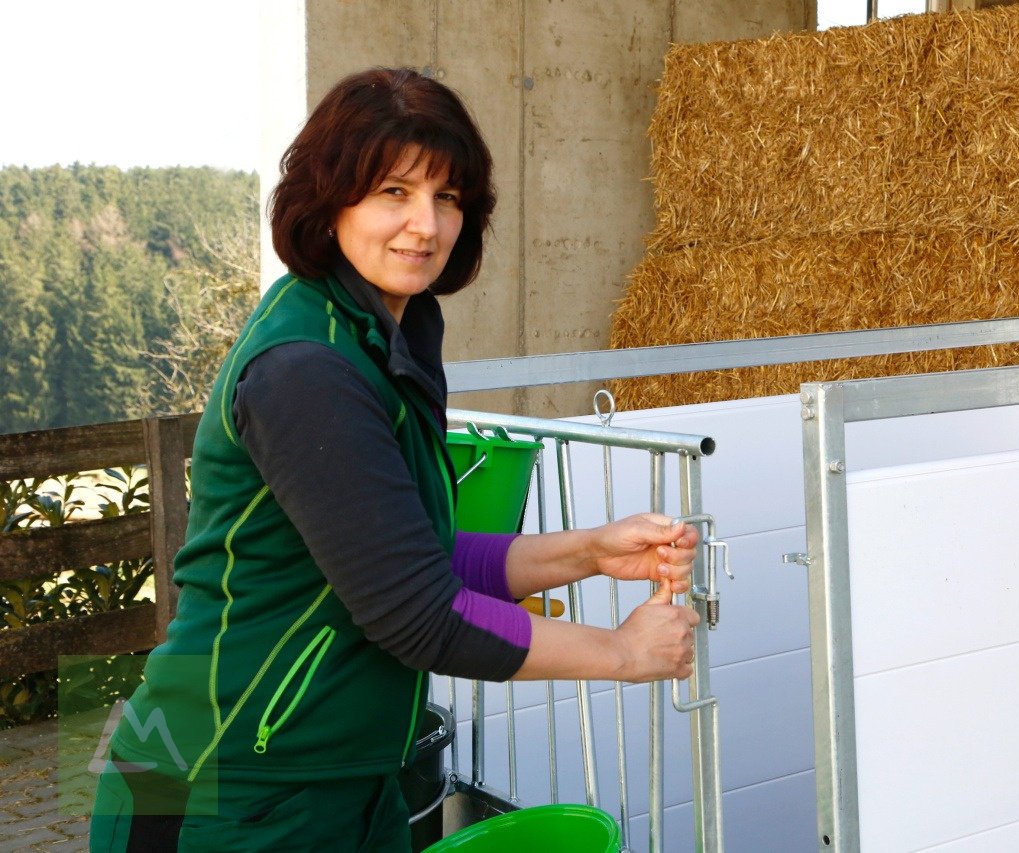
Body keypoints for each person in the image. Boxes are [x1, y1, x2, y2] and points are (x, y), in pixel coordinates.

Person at [88, 67, 700, 852]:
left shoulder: (383, 335)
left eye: (447, 197)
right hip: (223, 780)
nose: (425, 224)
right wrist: (619, 651)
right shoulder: (308, 369)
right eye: (393, 191)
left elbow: (405, 559)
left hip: (333, 769)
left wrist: (587, 551)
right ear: (328, 200)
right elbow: (418, 614)